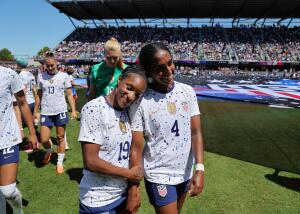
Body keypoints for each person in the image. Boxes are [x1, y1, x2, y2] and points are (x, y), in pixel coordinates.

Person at [127, 43, 205, 214]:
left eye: (170, 63)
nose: (169, 71)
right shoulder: (140, 102)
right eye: (160, 68)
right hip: (158, 174)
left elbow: (196, 132)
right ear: (148, 72)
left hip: (185, 172)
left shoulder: (188, 92)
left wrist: (199, 168)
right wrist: (134, 186)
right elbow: (136, 147)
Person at [78, 65, 147, 213]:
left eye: (137, 94)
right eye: (129, 87)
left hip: (121, 195)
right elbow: (91, 161)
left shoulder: (129, 112)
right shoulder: (94, 109)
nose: (131, 96)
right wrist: (129, 174)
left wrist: (133, 189)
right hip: (98, 198)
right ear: (119, 79)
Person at [0, 65, 37, 214]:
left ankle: (17, 209)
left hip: (7, 137)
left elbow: (22, 102)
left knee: (8, 190)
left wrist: (32, 132)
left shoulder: (8, 74)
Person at [34, 52, 77, 174]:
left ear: (56, 63)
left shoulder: (64, 76)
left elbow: (69, 94)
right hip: (46, 112)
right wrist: (36, 110)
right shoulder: (41, 76)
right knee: (44, 139)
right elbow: (39, 94)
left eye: (52, 65)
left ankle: (59, 163)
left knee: (60, 137)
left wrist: (73, 109)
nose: (50, 67)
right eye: (48, 65)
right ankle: (49, 151)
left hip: (60, 111)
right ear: (44, 65)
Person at [16, 58, 39, 152]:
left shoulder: (21, 75)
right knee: (31, 124)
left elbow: (24, 90)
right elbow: (34, 89)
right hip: (32, 101)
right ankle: (37, 141)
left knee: (23, 126)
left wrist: (20, 103)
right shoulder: (31, 74)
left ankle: (31, 145)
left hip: (26, 103)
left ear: (19, 65)